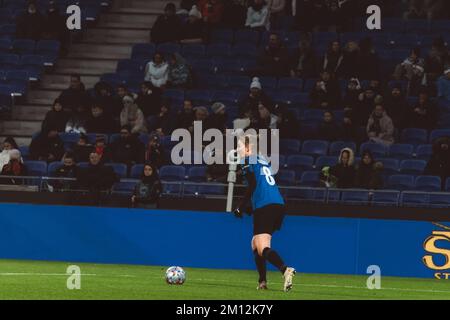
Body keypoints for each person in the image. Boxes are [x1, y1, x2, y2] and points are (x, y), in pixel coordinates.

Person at [233, 135, 295, 292]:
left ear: (248, 148)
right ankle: (262, 282)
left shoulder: (247, 160)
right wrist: (247, 209)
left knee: (262, 247)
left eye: (240, 146)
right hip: (277, 206)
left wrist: (240, 205)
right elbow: (260, 188)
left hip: (266, 207)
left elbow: (253, 184)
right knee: (256, 243)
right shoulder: (261, 159)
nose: (237, 149)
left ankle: (285, 269)